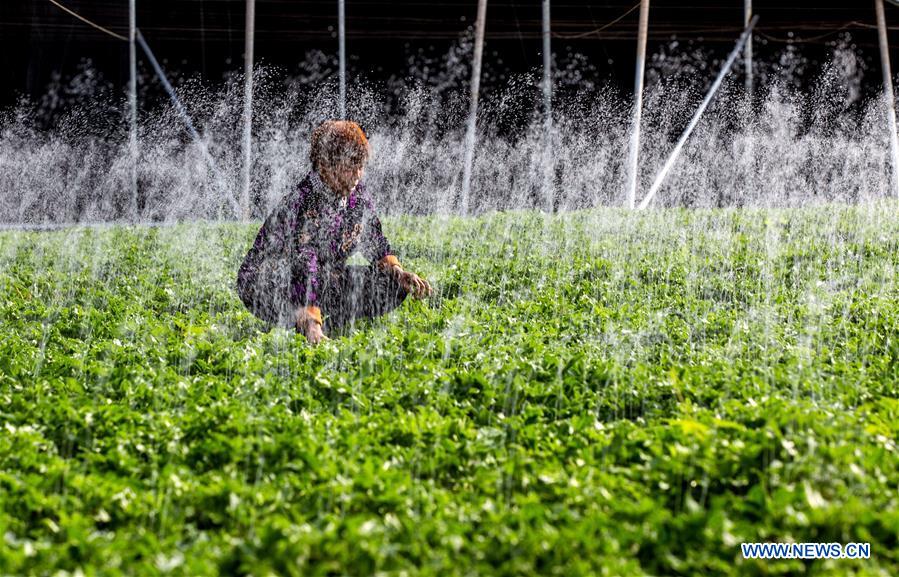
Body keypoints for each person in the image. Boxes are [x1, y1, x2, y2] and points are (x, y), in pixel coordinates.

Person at [236, 120, 433, 344]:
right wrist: (311, 325)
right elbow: (305, 268)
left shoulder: (356, 195)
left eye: (361, 165)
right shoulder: (303, 203)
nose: (358, 174)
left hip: (325, 276)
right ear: (326, 165)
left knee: (391, 286)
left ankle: (327, 320)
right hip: (272, 284)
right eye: (351, 165)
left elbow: (374, 239)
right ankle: (307, 322)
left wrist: (399, 271)